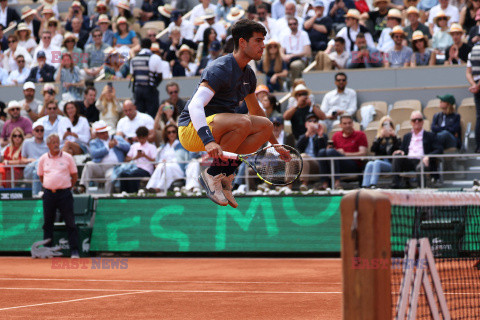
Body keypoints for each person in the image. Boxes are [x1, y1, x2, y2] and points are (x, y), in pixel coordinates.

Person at [177, 19, 289, 208]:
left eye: (264, 41)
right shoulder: (220, 68)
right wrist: (208, 140)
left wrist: (275, 146)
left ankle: (225, 176)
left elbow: (257, 112)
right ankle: (212, 174)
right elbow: (195, 105)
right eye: (258, 41)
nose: (263, 46)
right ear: (242, 42)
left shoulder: (249, 75)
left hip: (220, 130)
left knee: (266, 126)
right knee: (244, 123)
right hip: (191, 130)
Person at [37, 133, 79, 258]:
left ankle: (75, 251)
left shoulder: (68, 157)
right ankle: (47, 251)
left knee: (70, 222)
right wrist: (50, 185)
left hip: (64, 194)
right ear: (48, 145)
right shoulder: (43, 158)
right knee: (48, 223)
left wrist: (66, 186)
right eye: (53, 142)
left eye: (57, 142)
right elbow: (41, 176)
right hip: (49, 194)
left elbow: (75, 175)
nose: (56, 144)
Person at [391, 111, 443, 188]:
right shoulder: (407, 136)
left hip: (422, 161)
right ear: (411, 122)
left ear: (423, 122)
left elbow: (439, 149)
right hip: (409, 161)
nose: (417, 122)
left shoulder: (430, 135)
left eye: (419, 120)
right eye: (414, 120)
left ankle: (421, 188)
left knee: (420, 167)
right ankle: (395, 186)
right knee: (397, 157)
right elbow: (402, 149)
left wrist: (428, 156)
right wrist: (400, 151)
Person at [317, 114, 368, 189]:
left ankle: (337, 183)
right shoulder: (336, 135)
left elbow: (363, 153)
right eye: (345, 123)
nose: (347, 125)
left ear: (353, 124)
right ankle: (325, 183)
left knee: (331, 152)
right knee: (322, 152)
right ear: (340, 125)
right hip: (337, 163)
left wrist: (344, 154)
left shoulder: (360, 135)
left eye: (349, 123)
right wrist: (330, 149)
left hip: (353, 164)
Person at [80, 120, 130, 193]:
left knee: (110, 175)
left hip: (115, 167)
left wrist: (118, 144)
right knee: (88, 164)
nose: (105, 134)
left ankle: (107, 197)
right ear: (97, 134)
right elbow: (94, 154)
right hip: (100, 166)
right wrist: (107, 147)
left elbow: (128, 147)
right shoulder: (94, 142)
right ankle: (82, 188)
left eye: (106, 132)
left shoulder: (116, 138)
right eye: (102, 133)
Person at [130, 38, 166, 118]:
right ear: (150, 46)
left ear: (141, 46)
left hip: (138, 89)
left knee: (139, 115)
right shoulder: (155, 58)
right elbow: (160, 76)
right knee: (152, 114)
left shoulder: (134, 59)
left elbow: (133, 75)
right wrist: (155, 84)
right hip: (150, 89)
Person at [146, 124, 189, 192]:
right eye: (169, 132)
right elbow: (159, 159)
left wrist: (167, 161)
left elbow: (182, 159)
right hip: (165, 167)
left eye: (173, 132)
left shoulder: (182, 145)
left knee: (167, 166)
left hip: (178, 168)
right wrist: (161, 162)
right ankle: (150, 187)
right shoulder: (163, 147)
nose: (171, 134)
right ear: (166, 134)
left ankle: (159, 188)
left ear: (177, 133)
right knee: (160, 166)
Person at [362, 116, 401, 188]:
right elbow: (373, 149)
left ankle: (373, 184)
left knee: (377, 162)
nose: (387, 126)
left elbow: (398, 149)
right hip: (380, 163)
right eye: (384, 124)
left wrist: (394, 137)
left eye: (390, 124)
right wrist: (380, 138)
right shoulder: (378, 138)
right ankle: (365, 185)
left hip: (391, 164)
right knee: (370, 163)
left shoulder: (396, 138)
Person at [295, 113, 328, 190]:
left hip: (317, 163)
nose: (313, 123)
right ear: (306, 124)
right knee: (295, 157)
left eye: (315, 121)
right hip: (303, 164)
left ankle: (304, 184)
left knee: (303, 156)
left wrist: (320, 135)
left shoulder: (323, 136)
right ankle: (288, 187)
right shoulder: (302, 137)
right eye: (310, 121)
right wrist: (307, 134)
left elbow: (322, 152)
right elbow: (296, 149)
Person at [119, 126, 156, 193]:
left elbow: (155, 161)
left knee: (133, 175)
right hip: (133, 168)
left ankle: (133, 194)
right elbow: (126, 159)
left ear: (147, 137)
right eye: (139, 138)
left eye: (143, 138)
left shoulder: (152, 147)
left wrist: (145, 156)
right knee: (123, 174)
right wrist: (135, 157)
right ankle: (124, 195)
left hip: (146, 170)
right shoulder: (134, 146)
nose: (141, 140)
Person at [281, 16, 312, 83]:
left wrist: (292, 55)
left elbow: (307, 52)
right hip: (287, 59)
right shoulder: (286, 36)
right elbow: (281, 51)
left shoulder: (303, 34)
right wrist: (284, 56)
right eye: (290, 24)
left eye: (294, 24)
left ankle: (293, 85)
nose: (293, 26)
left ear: (298, 24)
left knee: (295, 65)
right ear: (288, 25)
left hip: (300, 59)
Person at [22, 121, 49, 196]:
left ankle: (35, 195)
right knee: (38, 163)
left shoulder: (48, 142)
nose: (39, 132)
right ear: (33, 132)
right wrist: (31, 160)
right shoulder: (27, 142)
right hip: (30, 168)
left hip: (44, 169)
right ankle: (36, 194)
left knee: (37, 169)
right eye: (37, 130)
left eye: (41, 130)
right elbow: (22, 159)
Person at [467, 42, 480, 152]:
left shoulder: (472, 51)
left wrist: (475, 85)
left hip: (476, 87)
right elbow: (468, 72)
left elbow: (468, 73)